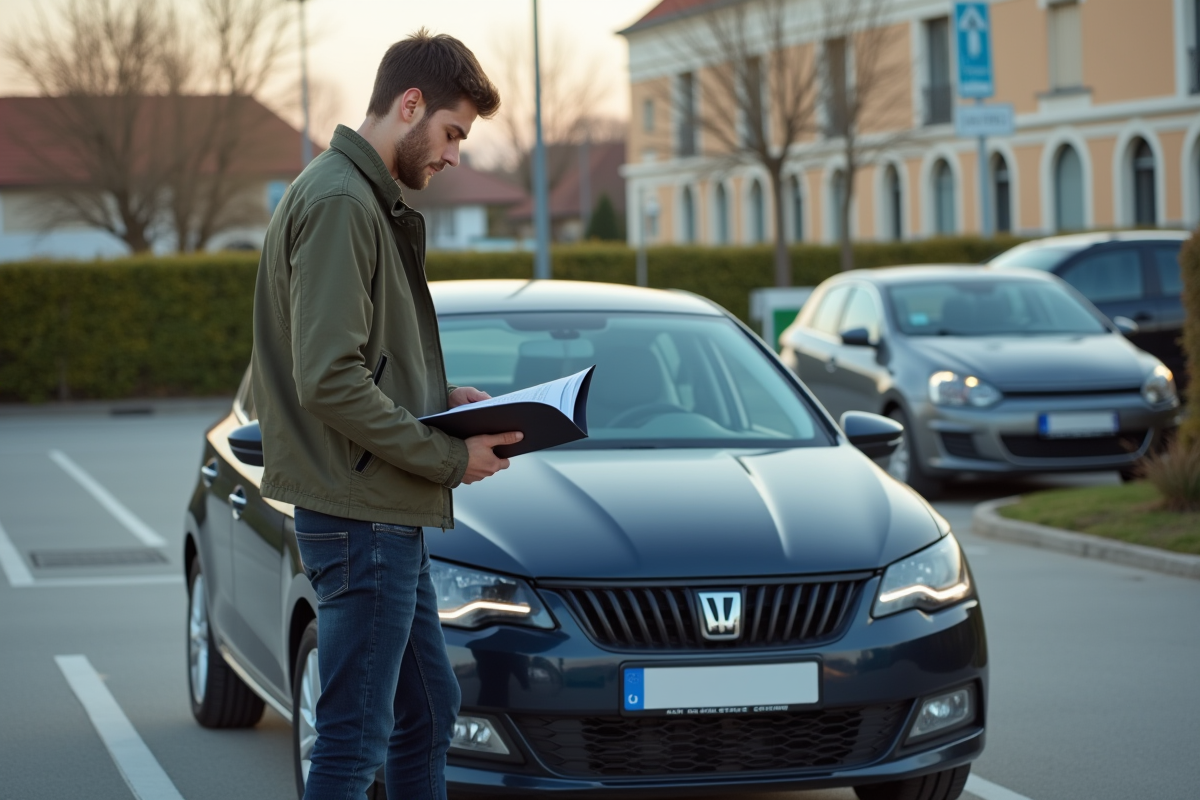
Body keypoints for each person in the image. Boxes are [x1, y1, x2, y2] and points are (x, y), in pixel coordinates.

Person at [249, 30, 515, 800]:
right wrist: (447, 457)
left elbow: (364, 363)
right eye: (453, 132)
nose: (456, 154)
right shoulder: (340, 202)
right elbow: (328, 378)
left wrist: (441, 406)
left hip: (379, 511)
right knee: (354, 737)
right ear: (409, 106)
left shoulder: (358, 197)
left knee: (429, 711)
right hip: (362, 519)